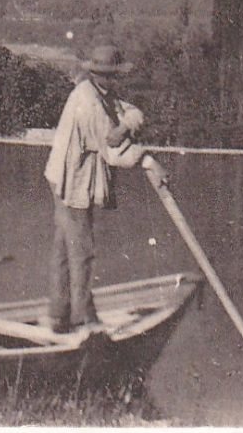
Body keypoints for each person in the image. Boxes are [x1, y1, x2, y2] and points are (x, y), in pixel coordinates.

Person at [43, 42, 161, 335]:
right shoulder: (89, 103)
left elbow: (131, 112)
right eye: (114, 75)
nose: (117, 81)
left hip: (65, 178)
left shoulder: (101, 94)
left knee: (64, 248)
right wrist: (148, 161)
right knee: (80, 250)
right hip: (71, 182)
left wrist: (125, 126)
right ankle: (81, 317)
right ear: (103, 75)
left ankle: (60, 314)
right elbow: (113, 154)